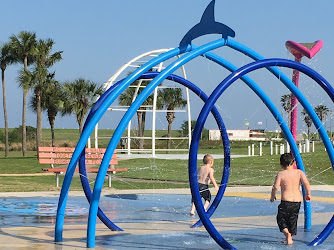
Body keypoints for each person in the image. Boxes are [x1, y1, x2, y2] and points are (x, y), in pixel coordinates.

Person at [270, 153, 311, 245]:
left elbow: (275, 187)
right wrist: (308, 194)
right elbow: (306, 183)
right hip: (297, 201)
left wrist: (273, 196)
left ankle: (287, 234)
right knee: (292, 219)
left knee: (281, 219)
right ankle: (290, 237)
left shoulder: (281, 174)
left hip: (286, 201)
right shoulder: (299, 172)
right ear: (294, 163)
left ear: (281, 164)